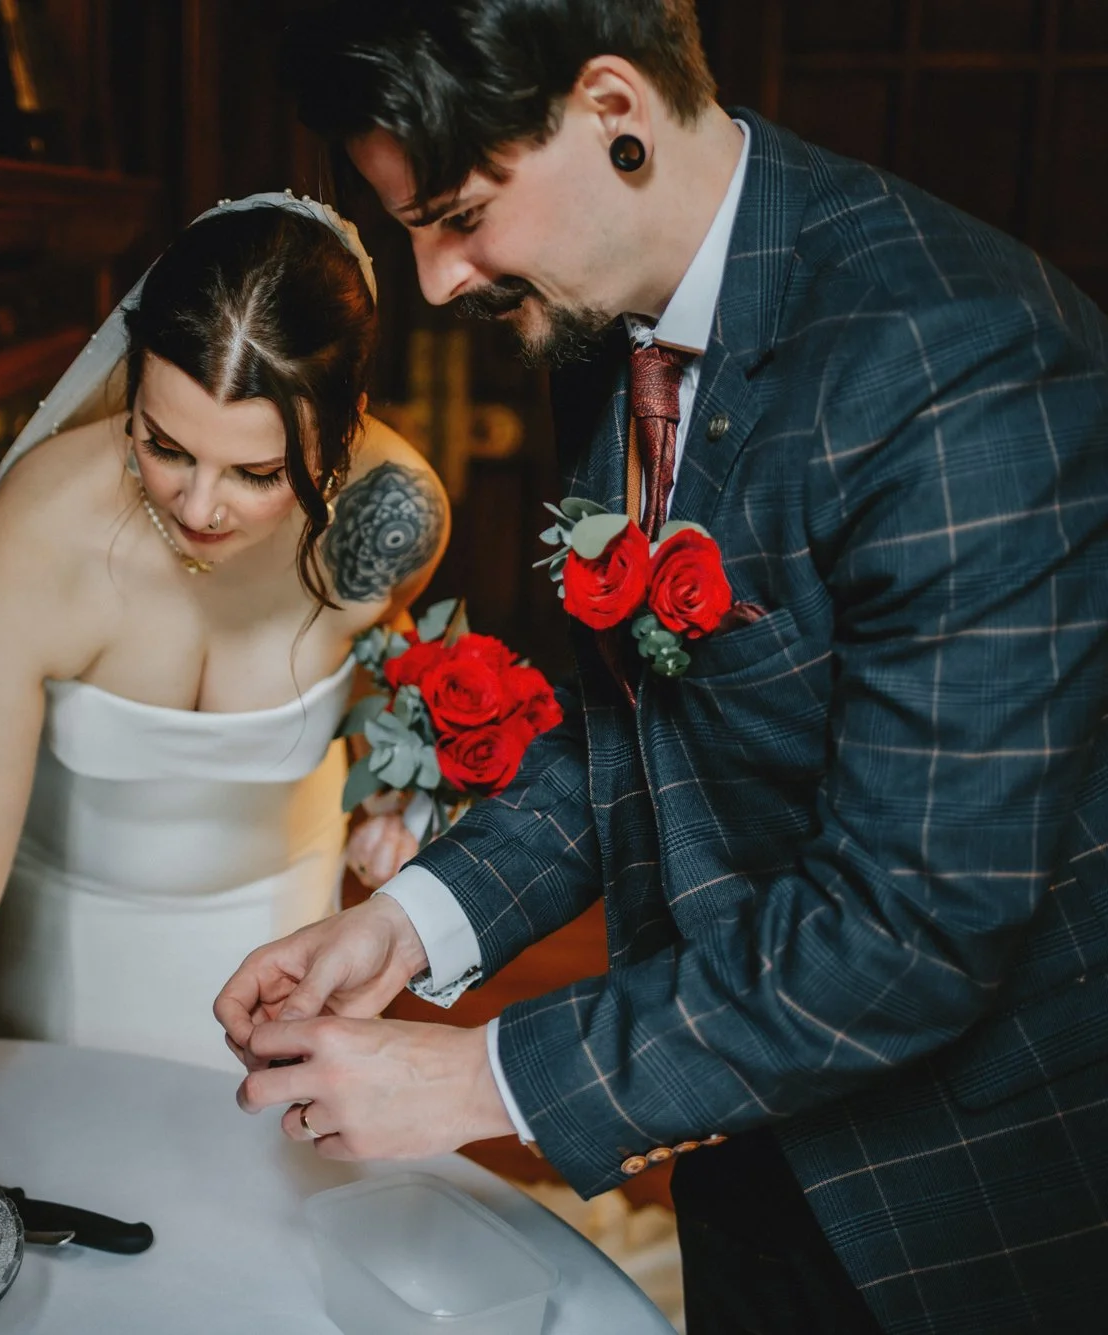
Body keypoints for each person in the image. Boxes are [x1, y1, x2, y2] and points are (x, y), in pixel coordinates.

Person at [216, 4, 1108, 1334]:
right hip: (729, 1107)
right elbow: (643, 728)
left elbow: (912, 926)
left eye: (456, 214)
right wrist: (413, 921)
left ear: (613, 111)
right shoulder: (607, 336)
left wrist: (482, 1084)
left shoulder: (959, 366)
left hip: (962, 1202)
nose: (437, 283)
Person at [0, 194, 448, 1075]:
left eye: (259, 473)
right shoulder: (35, 538)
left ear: (342, 433)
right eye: (164, 445)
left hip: (285, 960)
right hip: (70, 972)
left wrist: (398, 787)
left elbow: (385, 659)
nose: (199, 506)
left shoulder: (394, 518)